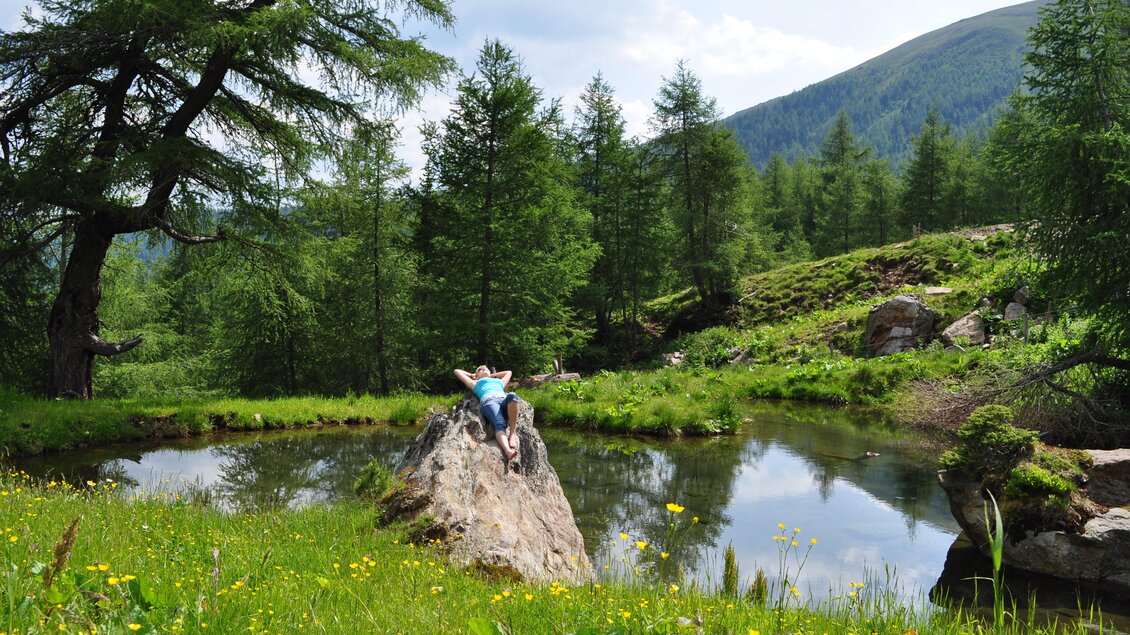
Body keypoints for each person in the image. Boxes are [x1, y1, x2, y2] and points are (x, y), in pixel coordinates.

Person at [454, 365, 522, 460]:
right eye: (480, 369)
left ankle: (512, 434)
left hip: (503, 400)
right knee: (499, 424)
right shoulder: (475, 383)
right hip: (489, 401)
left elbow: (509, 372)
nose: (483, 368)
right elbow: (457, 371)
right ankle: (508, 451)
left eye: (485, 368)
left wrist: (492, 375)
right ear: (476, 375)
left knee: (513, 396)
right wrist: (472, 375)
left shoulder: (499, 382)